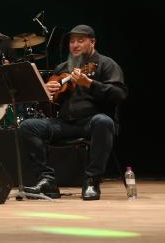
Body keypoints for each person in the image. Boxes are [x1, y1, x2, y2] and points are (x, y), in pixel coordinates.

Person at [20, 25, 127, 200]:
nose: (75, 45)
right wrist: (47, 93)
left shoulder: (106, 64)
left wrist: (90, 84)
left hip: (91, 123)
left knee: (103, 121)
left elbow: (119, 94)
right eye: (71, 41)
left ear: (92, 42)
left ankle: (92, 179)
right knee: (28, 126)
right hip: (64, 123)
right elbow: (48, 107)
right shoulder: (62, 67)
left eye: (80, 40)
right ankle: (47, 181)